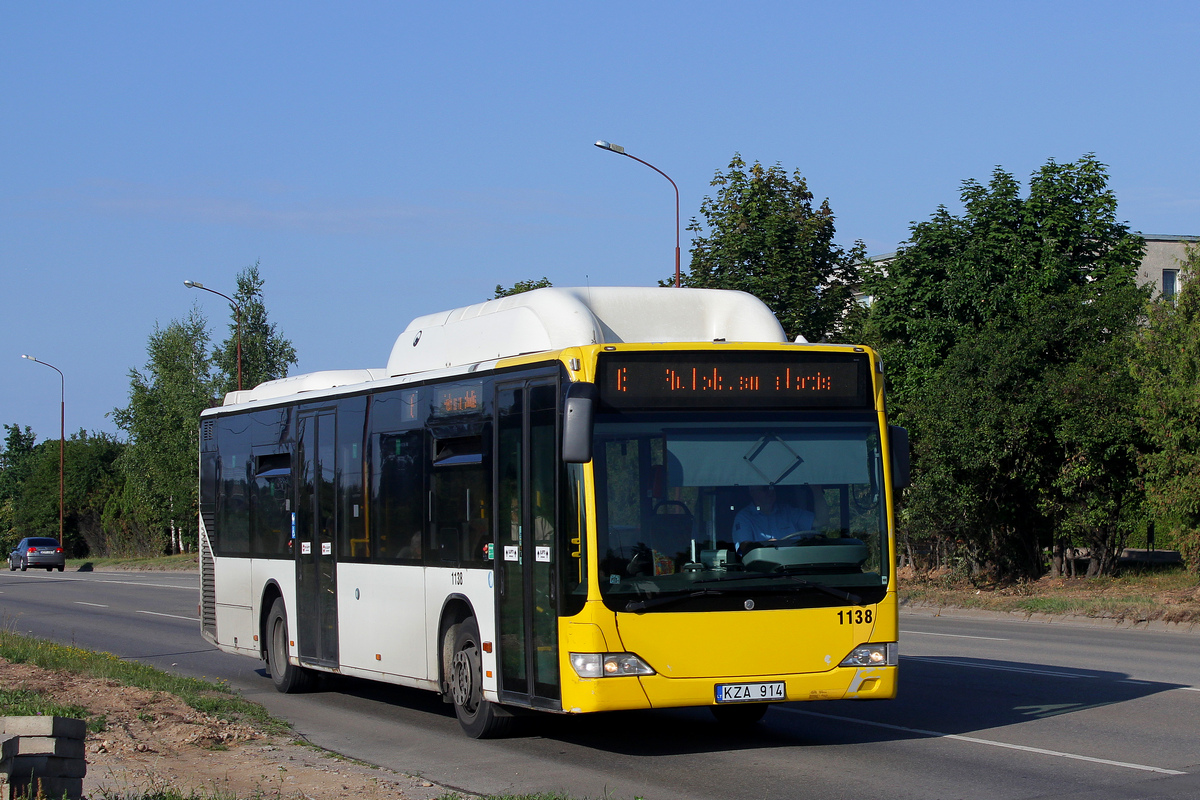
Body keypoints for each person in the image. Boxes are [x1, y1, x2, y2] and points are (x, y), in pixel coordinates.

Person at [732, 485, 815, 545]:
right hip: (762, 567)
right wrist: (765, 547)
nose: (771, 491)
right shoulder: (744, 517)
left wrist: (817, 490)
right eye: (765, 488)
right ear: (752, 492)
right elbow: (744, 549)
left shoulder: (788, 512)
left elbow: (822, 521)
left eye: (772, 487)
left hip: (796, 563)